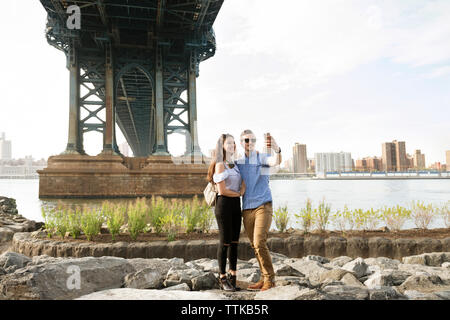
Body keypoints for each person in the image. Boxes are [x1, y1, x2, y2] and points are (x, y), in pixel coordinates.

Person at [236, 129, 282, 291]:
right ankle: (263, 278)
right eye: (246, 140)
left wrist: (277, 149)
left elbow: (276, 162)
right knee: (254, 246)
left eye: (253, 140)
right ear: (241, 143)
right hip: (247, 208)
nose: (250, 142)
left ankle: (270, 279)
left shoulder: (262, 157)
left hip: (263, 205)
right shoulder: (239, 163)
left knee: (259, 242)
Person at [206, 133, 246, 291]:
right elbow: (222, 191)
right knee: (225, 242)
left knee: (235, 242)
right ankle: (222, 278)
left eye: (233, 143)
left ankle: (233, 276)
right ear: (222, 146)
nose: (232, 145)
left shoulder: (234, 164)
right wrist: (239, 193)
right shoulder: (220, 164)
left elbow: (241, 183)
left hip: (236, 205)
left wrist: (242, 188)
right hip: (224, 206)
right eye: (228, 143)